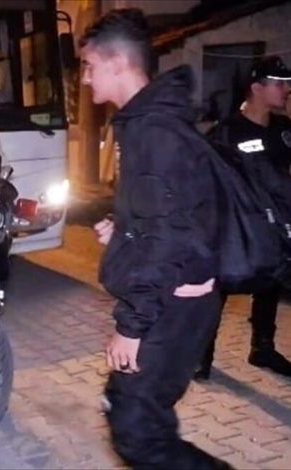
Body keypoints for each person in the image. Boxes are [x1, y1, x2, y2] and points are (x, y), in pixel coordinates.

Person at [82, 9, 231, 468]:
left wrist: (132, 327)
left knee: (138, 431)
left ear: (116, 64)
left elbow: (169, 237)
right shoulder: (145, 124)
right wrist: (123, 230)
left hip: (172, 306)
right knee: (133, 415)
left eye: (89, 66)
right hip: (171, 298)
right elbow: (165, 215)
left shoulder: (155, 132)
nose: (84, 79)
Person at [197, 56, 291, 380]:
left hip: (275, 227)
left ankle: (262, 347)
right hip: (236, 229)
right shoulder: (226, 133)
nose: (287, 89)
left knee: (271, 282)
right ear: (257, 88)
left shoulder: (284, 130)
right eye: (279, 83)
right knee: (221, 286)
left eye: (288, 83)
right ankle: (201, 355)